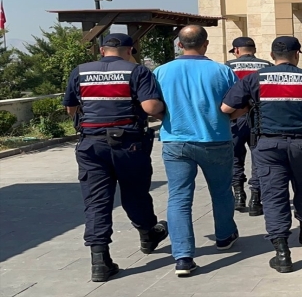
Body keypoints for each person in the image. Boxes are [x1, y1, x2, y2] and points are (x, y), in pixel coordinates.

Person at [221, 36, 302, 274]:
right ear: (297, 54)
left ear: (271, 56)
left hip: (268, 147)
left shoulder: (254, 79)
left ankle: (281, 252)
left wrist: (250, 106)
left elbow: (226, 109)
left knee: (273, 196)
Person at [62, 33, 169, 282]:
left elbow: (70, 108)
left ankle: (100, 261)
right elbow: (151, 107)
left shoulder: (80, 71)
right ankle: (147, 233)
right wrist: (165, 111)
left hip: (90, 145)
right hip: (128, 144)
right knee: (135, 193)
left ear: (102, 51)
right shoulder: (137, 71)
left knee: (96, 201)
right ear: (130, 50)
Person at [153, 25, 239, 277]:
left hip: (176, 141)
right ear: (206, 44)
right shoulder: (222, 71)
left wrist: (165, 118)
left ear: (180, 44)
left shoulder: (161, 72)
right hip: (216, 138)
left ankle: (183, 257)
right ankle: (224, 236)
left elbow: (152, 104)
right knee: (221, 191)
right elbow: (235, 104)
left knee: (179, 197)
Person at [224, 37, 273, 216]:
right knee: (259, 158)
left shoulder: (227, 66)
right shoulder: (267, 66)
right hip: (260, 118)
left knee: (235, 157)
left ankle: (238, 195)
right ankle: (256, 199)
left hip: (235, 118)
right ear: (254, 49)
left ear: (236, 50)